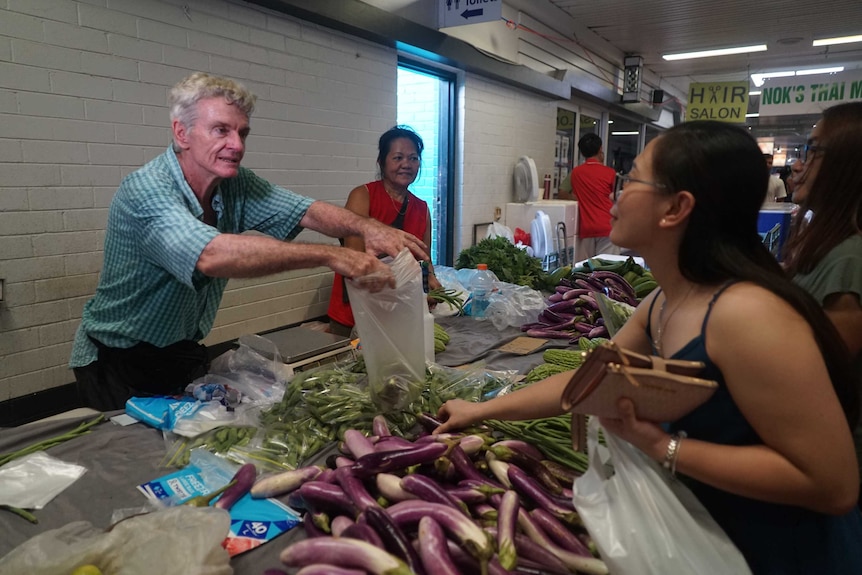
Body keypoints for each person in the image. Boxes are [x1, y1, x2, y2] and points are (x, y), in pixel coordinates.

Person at [435, 120, 862, 573]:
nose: (615, 196)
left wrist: (663, 447)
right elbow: (586, 381)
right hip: (707, 537)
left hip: (779, 553)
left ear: (676, 208)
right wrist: (480, 411)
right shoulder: (663, 301)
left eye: (632, 180)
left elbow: (832, 485)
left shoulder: (747, 316)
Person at [69, 72, 428, 412]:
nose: (236, 145)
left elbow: (305, 211)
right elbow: (211, 254)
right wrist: (331, 256)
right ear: (182, 133)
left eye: (243, 133)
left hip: (180, 351)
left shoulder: (235, 184)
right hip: (118, 363)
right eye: (221, 130)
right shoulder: (147, 191)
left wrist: (369, 228)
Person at [783, 102, 862, 499]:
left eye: (813, 150)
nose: (800, 164)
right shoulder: (821, 245)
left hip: (823, 461)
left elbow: (823, 372)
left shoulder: (850, 259)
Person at [327, 126, 441, 337]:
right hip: (355, 315)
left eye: (413, 158)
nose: (406, 164)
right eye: (397, 157)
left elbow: (424, 262)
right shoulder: (363, 196)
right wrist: (407, 292)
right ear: (381, 161)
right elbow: (356, 261)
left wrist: (432, 282)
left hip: (399, 316)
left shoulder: (422, 209)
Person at [566, 133, 619, 261]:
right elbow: (617, 197)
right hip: (608, 227)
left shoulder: (576, 173)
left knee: (587, 271)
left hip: (586, 229)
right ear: (600, 149)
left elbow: (574, 195)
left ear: (582, 153)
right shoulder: (610, 173)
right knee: (609, 270)